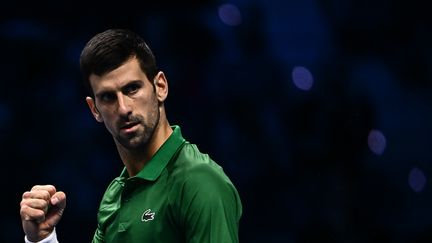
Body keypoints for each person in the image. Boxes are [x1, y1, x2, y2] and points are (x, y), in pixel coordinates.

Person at [19, 28, 242, 242]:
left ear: (160, 87)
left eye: (132, 89)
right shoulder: (114, 195)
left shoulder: (199, 182)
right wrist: (42, 238)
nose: (124, 108)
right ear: (94, 109)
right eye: (108, 97)